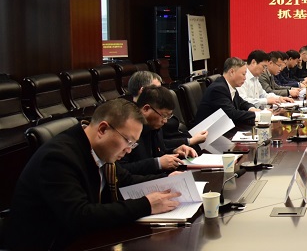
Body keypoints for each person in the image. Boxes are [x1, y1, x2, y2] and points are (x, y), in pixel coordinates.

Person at [7, 99, 181, 250]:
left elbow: (126, 180)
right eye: (128, 141)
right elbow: (80, 216)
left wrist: (166, 180)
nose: (128, 150)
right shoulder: (58, 157)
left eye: (133, 144)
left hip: (84, 239)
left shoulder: (100, 153)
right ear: (103, 129)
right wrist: (146, 205)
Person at [119, 86, 197, 175]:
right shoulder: (128, 129)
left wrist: (174, 151)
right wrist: (157, 163)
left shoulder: (155, 126)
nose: (165, 121)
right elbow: (120, 170)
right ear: (146, 109)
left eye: (168, 116)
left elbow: (158, 153)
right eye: (163, 116)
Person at [127, 70, 207, 148]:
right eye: (156, 89)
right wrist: (189, 141)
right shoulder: (136, 120)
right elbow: (160, 145)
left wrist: (174, 150)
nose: (161, 92)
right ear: (143, 90)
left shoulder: (157, 110)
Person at [194, 57, 260, 126]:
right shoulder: (218, 89)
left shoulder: (229, 86)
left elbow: (241, 103)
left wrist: (252, 108)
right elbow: (232, 114)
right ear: (232, 72)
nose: (245, 78)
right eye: (243, 74)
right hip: (208, 130)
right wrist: (257, 114)